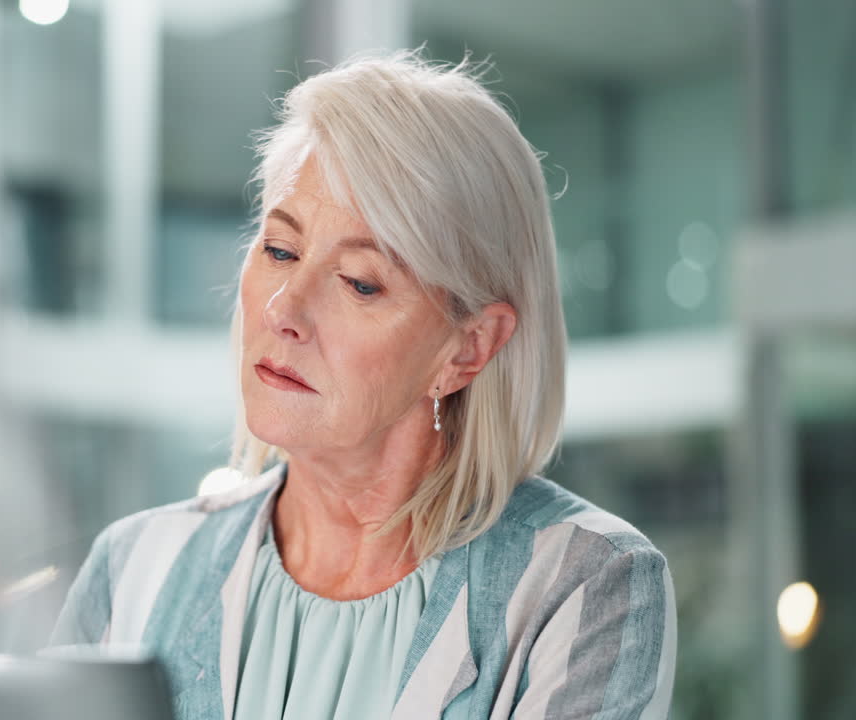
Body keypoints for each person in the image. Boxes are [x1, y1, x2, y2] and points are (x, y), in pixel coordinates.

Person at [50, 50, 675, 720]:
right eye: (280, 251)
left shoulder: (583, 583)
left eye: (359, 283)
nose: (283, 311)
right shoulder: (134, 568)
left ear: (468, 349)